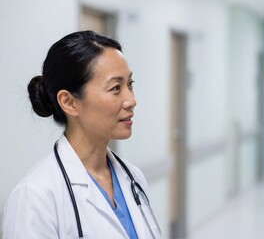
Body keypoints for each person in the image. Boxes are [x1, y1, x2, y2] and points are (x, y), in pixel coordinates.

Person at [2, 31, 163, 238]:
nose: (131, 100)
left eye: (129, 85)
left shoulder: (133, 177)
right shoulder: (35, 197)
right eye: (115, 88)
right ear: (69, 102)